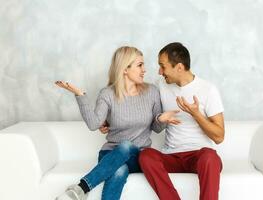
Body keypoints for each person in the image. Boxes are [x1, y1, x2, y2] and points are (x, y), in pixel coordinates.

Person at [55, 46, 180, 200]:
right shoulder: (107, 94)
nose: (144, 70)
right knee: (119, 170)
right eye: (140, 65)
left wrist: (161, 120)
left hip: (138, 157)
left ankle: (81, 188)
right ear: (125, 69)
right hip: (110, 154)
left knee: (127, 146)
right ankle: (79, 191)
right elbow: (94, 124)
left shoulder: (152, 92)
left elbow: (156, 128)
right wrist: (80, 96)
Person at [138, 42, 225, 200]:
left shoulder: (208, 90)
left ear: (179, 67)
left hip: (199, 157)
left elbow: (219, 137)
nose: (159, 71)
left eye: (162, 66)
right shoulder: (161, 86)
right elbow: (136, 102)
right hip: (171, 156)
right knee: (146, 156)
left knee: (210, 157)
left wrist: (196, 114)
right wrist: (109, 120)